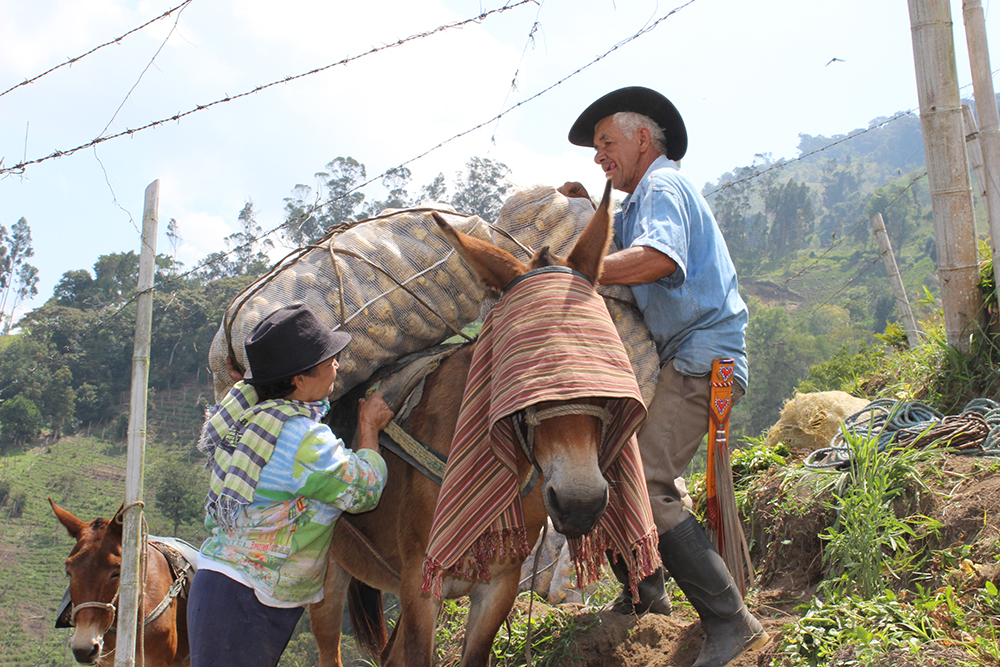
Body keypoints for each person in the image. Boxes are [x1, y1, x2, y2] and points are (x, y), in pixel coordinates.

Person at [559, 87, 767, 667]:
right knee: (616, 468)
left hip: (705, 357)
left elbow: (658, 258)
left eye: (607, 143)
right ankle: (644, 598)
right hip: (683, 358)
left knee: (645, 481)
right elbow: (627, 235)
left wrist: (575, 271)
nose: (599, 157)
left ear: (643, 139)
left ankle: (732, 622)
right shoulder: (640, 199)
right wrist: (585, 204)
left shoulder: (663, 186)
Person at [187, 303, 393, 667]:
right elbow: (365, 490)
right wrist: (368, 429)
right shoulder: (300, 438)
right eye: (327, 359)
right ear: (298, 380)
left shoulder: (250, 416)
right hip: (245, 599)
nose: (336, 365)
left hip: (227, 589)